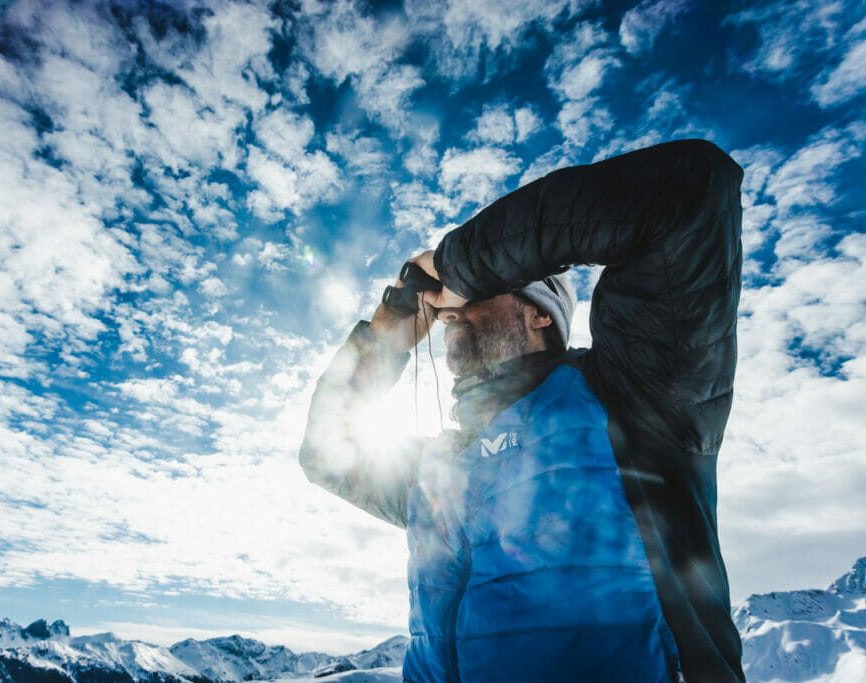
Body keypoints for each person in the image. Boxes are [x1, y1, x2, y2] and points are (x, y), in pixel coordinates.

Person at [300, 139, 745, 682]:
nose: (448, 311)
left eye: (474, 293)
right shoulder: (436, 469)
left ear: (540, 315)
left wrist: (454, 264)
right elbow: (326, 454)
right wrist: (383, 342)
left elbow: (690, 193)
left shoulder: (638, 396)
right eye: (445, 303)